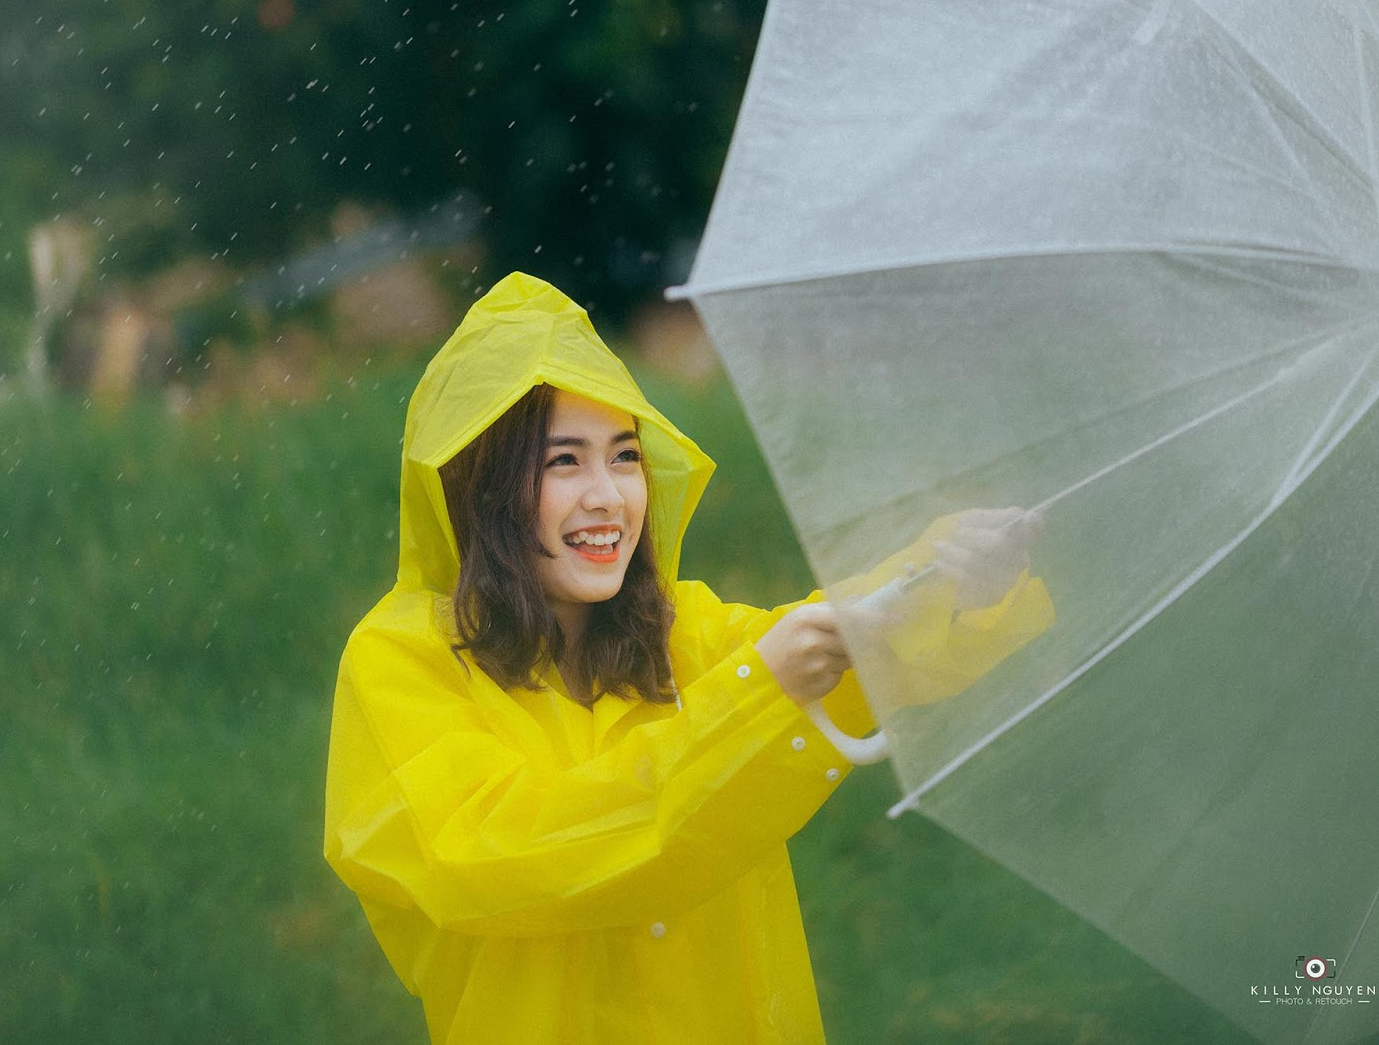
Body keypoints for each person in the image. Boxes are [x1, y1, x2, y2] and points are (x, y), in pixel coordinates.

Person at [323, 271, 1053, 1044]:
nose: (608, 495)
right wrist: (752, 698)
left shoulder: (679, 634)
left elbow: (840, 633)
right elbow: (509, 857)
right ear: (480, 486)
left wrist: (949, 576)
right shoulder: (402, 663)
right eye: (563, 461)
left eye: (625, 456)